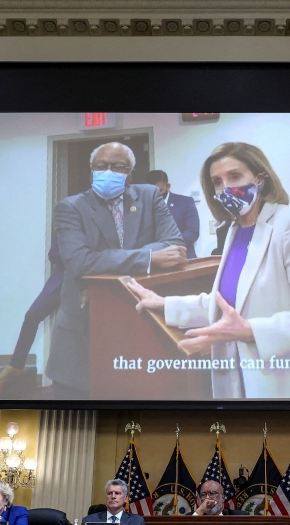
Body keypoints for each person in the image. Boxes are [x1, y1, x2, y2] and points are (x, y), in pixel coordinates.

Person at [127, 142, 290, 399]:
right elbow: (227, 304)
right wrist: (165, 304)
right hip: (243, 379)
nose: (226, 188)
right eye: (217, 182)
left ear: (260, 179)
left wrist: (250, 331)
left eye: (235, 176)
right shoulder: (234, 230)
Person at [48, 142, 187, 398]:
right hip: (83, 332)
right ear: (92, 169)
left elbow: (175, 244)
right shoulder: (70, 207)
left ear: (130, 172)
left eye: (117, 167)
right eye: (101, 166)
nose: (108, 172)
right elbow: (79, 261)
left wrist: (106, 258)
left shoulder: (149, 195)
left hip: (136, 326)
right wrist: (149, 256)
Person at [0, 239, 64, 389]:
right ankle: (16, 366)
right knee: (31, 316)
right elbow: (53, 254)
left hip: (84, 280)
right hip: (60, 277)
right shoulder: (67, 218)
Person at [146, 169, 200, 259]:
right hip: (154, 260)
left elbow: (192, 232)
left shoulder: (185, 202)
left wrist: (166, 245)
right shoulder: (143, 206)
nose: (156, 195)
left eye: (160, 191)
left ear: (168, 186)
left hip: (183, 257)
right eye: (152, 191)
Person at [82, 479, 146, 525]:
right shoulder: (89, 520)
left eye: (117, 493)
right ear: (105, 498)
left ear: (125, 498)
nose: (113, 496)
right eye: (109, 493)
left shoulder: (137, 521)